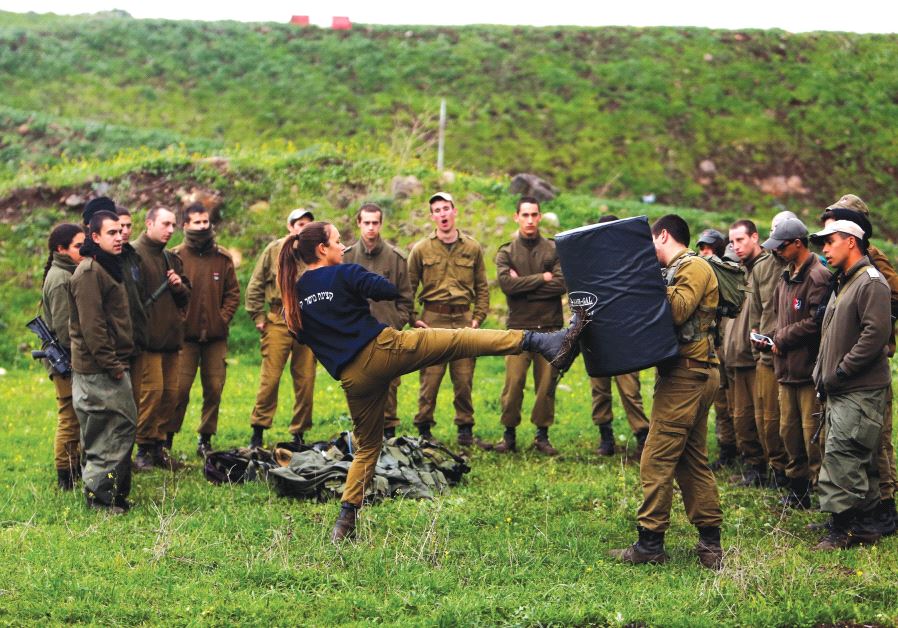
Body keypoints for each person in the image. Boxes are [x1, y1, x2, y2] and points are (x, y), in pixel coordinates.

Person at [276, 221, 582, 542]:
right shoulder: (344, 272)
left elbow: (303, 332)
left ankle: (345, 521)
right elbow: (387, 290)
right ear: (322, 249)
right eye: (338, 242)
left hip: (353, 379)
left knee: (367, 447)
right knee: (460, 340)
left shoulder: (292, 297)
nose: (342, 247)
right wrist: (362, 282)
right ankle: (542, 342)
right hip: (384, 350)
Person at [610, 214, 724, 569]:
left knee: (656, 456)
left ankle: (650, 543)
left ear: (662, 236)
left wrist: (645, 279)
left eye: (650, 242)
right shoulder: (677, 269)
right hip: (688, 371)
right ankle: (710, 542)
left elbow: (676, 310)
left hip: (689, 375)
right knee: (690, 458)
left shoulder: (694, 267)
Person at [809, 219, 891, 550]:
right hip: (844, 389)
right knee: (858, 458)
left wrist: (842, 371)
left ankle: (841, 529)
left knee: (842, 455)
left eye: (831, 241)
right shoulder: (847, 282)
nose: (825, 249)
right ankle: (866, 524)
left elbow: (876, 335)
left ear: (852, 243)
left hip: (857, 388)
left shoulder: (870, 282)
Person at [407, 192, 490, 446]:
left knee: (464, 379)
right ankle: (423, 429)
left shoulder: (472, 247)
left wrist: (477, 318)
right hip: (432, 319)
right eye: (437, 210)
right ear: (432, 216)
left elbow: (482, 287)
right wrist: (412, 318)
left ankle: (465, 429)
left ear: (455, 212)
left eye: (446, 208)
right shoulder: (421, 249)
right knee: (430, 379)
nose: (442, 214)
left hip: (463, 318)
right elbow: (407, 287)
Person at [69, 210, 137, 513]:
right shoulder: (88, 273)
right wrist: (113, 366)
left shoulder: (107, 267)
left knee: (120, 429)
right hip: (100, 370)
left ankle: (114, 494)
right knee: (108, 434)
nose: (120, 235)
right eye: (112, 232)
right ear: (94, 237)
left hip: (113, 365)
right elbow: (92, 327)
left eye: (121, 230)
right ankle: (99, 498)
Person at [760, 218, 828, 508]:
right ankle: (798, 492)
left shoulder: (818, 276)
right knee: (789, 434)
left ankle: (825, 497)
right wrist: (770, 338)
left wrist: (783, 337)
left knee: (813, 437)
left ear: (798, 244)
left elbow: (817, 322)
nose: (777, 252)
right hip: (786, 370)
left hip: (808, 372)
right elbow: (779, 315)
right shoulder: (785, 275)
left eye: (781, 247)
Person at [491, 197, 566, 455]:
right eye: (525, 215)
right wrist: (541, 279)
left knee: (546, 385)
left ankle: (542, 435)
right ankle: (509, 435)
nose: (530, 220)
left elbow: (560, 285)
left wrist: (523, 285)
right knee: (513, 385)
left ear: (540, 216)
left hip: (550, 327)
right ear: (516, 217)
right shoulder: (506, 252)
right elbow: (506, 287)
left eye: (534, 214)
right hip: (519, 329)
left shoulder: (554, 249)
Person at [170, 204, 240, 456]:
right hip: (184, 338)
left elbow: (233, 294)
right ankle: (166, 438)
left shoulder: (222, 258)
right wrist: (180, 320)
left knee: (214, 387)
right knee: (179, 389)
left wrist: (221, 319)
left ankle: (205, 438)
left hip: (215, 337)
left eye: (205, 222)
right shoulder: (175, 257)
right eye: (196, 222)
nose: (202, 227)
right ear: (185, 225)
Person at [245, 208, 317, 448]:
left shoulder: (317, 251)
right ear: (290, 227)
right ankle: (258, 429)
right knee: (271, 377)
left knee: (306, 379)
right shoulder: (274, 250)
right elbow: (255, 284)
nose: (302, 228)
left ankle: (299, 432)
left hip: (308, 321)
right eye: (298, 224)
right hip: (278, 319)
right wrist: (258, 316)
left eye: (307, 224)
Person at [342, 203, 414, 439]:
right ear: (359, 224)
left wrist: (396, 323)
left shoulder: (396, 258)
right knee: (359, 384)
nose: (371, 228)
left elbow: (406, 299)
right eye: (367, 223)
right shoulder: (347, 257)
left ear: (380, 224)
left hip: (387, 333)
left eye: (375, 223)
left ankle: (390, 431)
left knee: (390, 384)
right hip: (355, 337)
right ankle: (362, 433)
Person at [132, 206, 191, 471]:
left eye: (173, 226)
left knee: (171, 395)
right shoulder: (133, 255)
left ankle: (158, 446)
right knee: (151, 394)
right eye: (165, 224)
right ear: (149, 223)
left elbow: (185, 296)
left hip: (171, 339)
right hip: (146, 341)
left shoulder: (171, 258)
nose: (170, 230)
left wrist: (179, 285)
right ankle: (143, 448)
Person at [589, 215, 650, 458]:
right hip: (597, 336)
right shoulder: (589, 263)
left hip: (625, 336)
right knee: (600, 389)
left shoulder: (630, 261)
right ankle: (606, 437)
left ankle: (643, 437)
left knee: (630, 389)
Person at [724, 220, 771, 487]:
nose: (736, 246)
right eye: (732, 242)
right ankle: (754, 466)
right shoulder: (740, 271)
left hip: (754, 357)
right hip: (734, 356)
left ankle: (766, 469)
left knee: (761, 418)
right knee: (741, 417)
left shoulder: (767, 268)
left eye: (741, 240)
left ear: (755, 237)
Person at [40, 223, 85, 490]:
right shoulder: (60, 278)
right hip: (64, 360)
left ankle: (74, 468)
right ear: (61, 249)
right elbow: (63, 328)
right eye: (77, 246)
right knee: (69, 418)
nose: (83, 249)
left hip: (70, 358)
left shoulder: (68, 272)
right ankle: (65, 477)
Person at [749, 219, 790, 490]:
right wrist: (755, 335)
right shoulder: (762, 268)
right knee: (765, 419)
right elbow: (756, 310)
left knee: (788, 422)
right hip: (764, 357)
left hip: (790, 357)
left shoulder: (802, 269)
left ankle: (794, 477)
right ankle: (776, 470)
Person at [696, 229, 739, 469]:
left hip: (732, 347)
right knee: (720, 403)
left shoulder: (728, 274)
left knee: (736, 405)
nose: (704, 253)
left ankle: (740, 449)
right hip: (714, 346)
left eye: (709, 248)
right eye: (701, 248)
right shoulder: (698, 273)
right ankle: (726, 450)